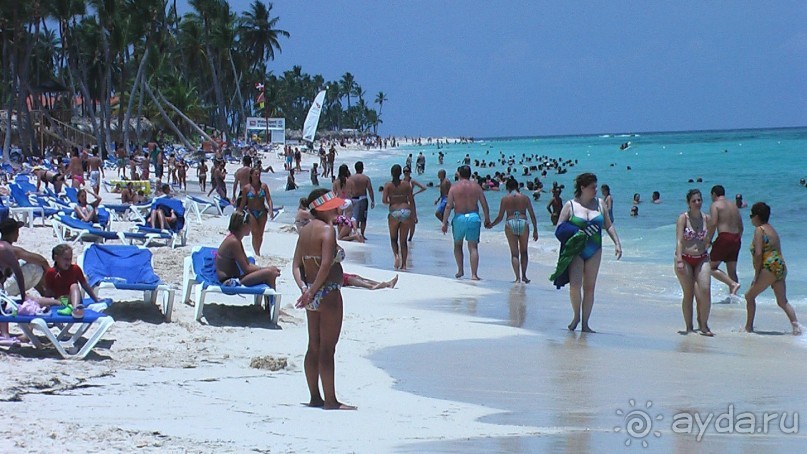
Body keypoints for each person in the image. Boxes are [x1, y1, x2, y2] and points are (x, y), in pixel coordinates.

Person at [291, 189, 356, 410]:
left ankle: (315, 397)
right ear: (324, 208)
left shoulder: (305, 231)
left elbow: (296, 266)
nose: (339, 209)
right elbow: (327, 264)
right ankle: (330, 400)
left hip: (310, 290)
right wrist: (313, 291)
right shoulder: (328, 231)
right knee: (328, 348)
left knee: (314, 346)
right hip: (327, 292)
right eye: (335, 206)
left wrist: (305, 289)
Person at [554, 173, 622, 333]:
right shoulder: (570, 205)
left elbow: (608, 225)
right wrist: (576, 230)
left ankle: (585, 324)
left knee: (590, 288)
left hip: (595, 249)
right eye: (592, 187)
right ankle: (576, 316)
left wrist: (617, 243)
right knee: (575, 286)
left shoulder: (600, 204)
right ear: (582, 188)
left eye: (596, 186)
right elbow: (559, 228)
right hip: (576, 251)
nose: (596, 190)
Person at [744, 202, 800, 335]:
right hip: (780, 266)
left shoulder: (759, 230)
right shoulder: (772, 230)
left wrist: (756, 275)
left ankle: (748, 327)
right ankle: (796, 327)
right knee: (782, 301)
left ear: (757, 216)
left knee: (749, 296)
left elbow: (758, 255)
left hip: (769, 267)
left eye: (751, 215)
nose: (751, 218)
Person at [674, 189, 713, 336]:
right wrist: (679, 259)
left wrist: (707, 244)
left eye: (699, 200)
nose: (697, 203)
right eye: (694, 201)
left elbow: (708, 238)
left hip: (702, 257)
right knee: (689, 293)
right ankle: (689, 327)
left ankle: (703, 324)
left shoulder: (706, 219)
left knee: (705, 290)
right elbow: (678, 240)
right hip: (684, 258)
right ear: (688, 203)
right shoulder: (683, 219)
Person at [441, 165, 490, 280]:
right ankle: (474, 274)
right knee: (473, 247)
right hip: (473, 217)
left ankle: (460, 270)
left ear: (459, 174)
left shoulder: (454, 187)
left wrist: (444, 222)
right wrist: (487, 218)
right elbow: (484, 204)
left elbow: (448, 206)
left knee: (458, 245)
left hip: (459, 218)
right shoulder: (476, 187)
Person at [488, 177, 538, 283]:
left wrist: (491, 224)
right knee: (524, 251)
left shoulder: (505, 199)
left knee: (514, 253)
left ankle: (517, 278)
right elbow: (532, 215)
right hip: (523, 222)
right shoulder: (525, 198)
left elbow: (500, 216)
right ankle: (524, 275)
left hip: (510, 223)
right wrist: (535, 230)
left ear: (508, 188)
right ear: (517, 186)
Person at [216, 210, 280, 288]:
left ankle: (270, 300)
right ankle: (271, 300)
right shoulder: (234, 242)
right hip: (229, 282)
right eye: (250, 224)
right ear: (244, 225)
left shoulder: (234, 239)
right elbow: (246, 268)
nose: (251, 227)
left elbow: (247, 265)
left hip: (232, 279)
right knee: (270, 272)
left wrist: (266, 269)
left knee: (270, 272)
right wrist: (265, 269)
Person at [43, 244, 103, 319]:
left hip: (76, 300)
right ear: (56, 258)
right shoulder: (51, 272)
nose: (68, 262)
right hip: (61, 302)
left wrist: (95, 298)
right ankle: (70, 308)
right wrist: (46, 304)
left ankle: (75, 309)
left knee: (74, 285)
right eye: (65, 259)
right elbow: (48, 291)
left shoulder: (75, 269)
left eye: (70, 259)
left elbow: (85, 285)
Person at [706, 185, 743, 297]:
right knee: (732, 271)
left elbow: (713, 224)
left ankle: (732, 284)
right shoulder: (734, 206)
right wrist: (737, 239)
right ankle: (734, 297)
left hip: (724, 237)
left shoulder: (715, 205)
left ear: (713, 194)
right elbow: (741, 227)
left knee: (710, 267)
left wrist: (708, 240)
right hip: (736, 238)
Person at [0, 218, 48, 296]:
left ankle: (44, 293)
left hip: (3, 284)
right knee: (35, 267)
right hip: (4, 289)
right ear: (14, 232)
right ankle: (48, 292)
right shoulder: (13, 250)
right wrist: (51, 275)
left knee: (24, 262)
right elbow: (41, 261)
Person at [383, 164, 416, 270]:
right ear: (401, 173)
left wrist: (392, 200)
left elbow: (384, 200)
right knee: (403, 241)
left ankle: (396, 256)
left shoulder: (388, 185)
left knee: (393, 238)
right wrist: (414, 215)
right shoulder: (406, 185)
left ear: (391, 173)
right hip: (406, 211)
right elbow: (411, 200)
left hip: (394, 212)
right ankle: (404, 264)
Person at [239, 168, 274, 256]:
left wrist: (271, 209)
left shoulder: (264, 186)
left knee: (260, 234)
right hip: (251, 212)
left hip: (262, 212)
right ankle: (257, 253)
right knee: (255, 233)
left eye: (258, 174)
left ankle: (258, 249)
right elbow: (243, 202)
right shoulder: (246, 188)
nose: (257, 176)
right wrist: (239, 212)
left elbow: (269, 199)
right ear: (251, 175)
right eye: (255, 174)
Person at [0, 241, 28, 342]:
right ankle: (5, 334)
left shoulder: (4, 249)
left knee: (2, 301)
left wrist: (23, 295)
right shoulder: (5, 249)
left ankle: (5, 334)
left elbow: (18, 273)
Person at [347, 161, 375, 237]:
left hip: (353, 198)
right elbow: (370, 190)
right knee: (363, 218)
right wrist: (372, 201)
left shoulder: (350, 178)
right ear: (362, 168)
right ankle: (362, 234)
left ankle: (355, 231)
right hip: (363, 198)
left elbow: (348, 190)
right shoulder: (366, 178)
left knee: (354, 216)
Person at [402, 166, 426, 241]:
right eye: (404, 171)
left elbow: (423, 188)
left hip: (411, 201)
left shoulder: (412, 181)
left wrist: (415, 193)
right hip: (403, 201)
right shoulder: (401, 181)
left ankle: (410, 238)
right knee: (404, 219)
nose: (406, 172)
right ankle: (404, 236)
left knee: (412, 220)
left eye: (407, 171)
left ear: (410, 172)